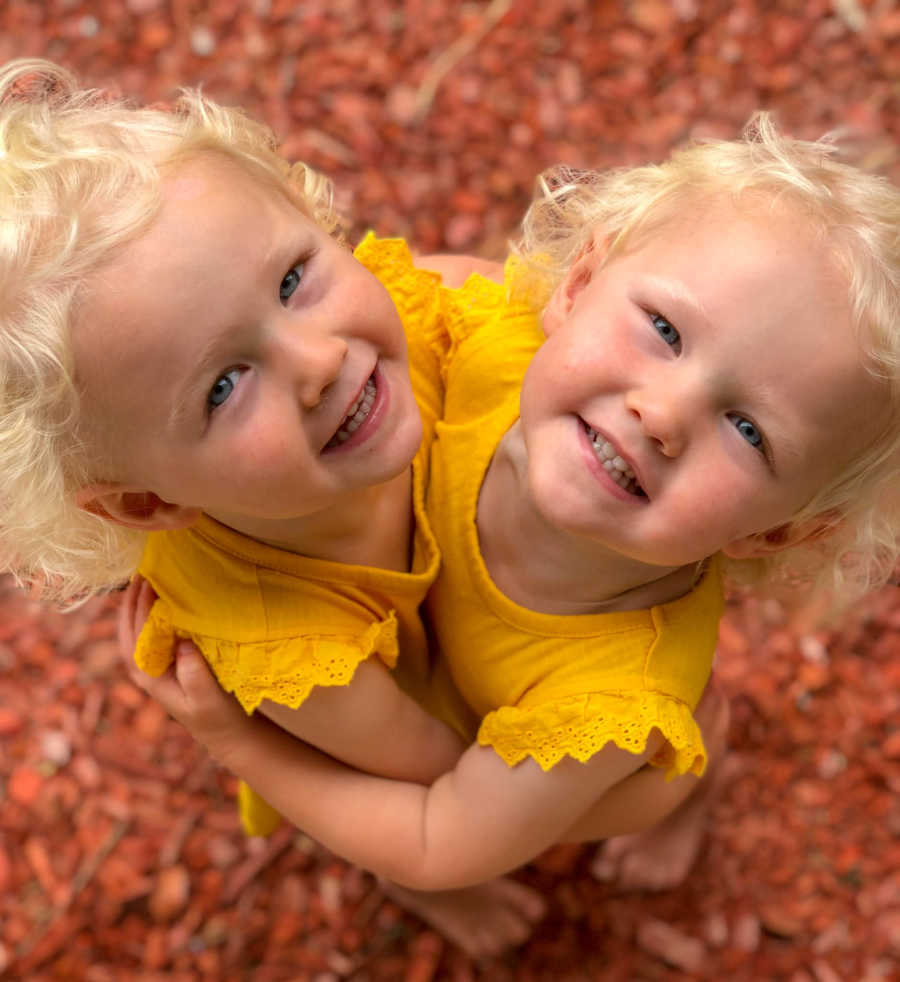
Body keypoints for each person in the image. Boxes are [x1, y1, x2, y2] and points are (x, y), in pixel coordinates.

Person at [123, 114, 900, 894]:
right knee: (371, 773)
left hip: (532, 742)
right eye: (664, 329)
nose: (662, 414)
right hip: (421, 677)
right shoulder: (495, 343)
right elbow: (416, 292)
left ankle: (687, 798)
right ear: (578, 286)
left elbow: (437, 840)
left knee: (666, 753)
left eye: (747, 430)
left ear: (781, 530)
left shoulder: (607, 703)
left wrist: (238, 744)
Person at [0, 57, 550, 956]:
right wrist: (630, 784)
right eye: (223, 385)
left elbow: (534, 324)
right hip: (399, 732)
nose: (319, 359)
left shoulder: (416, 312)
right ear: (146, 499)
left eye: (294, 279)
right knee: (399, 824)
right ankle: (419, 893)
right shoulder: (278, 644)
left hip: (481, 603)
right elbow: (439, 777)